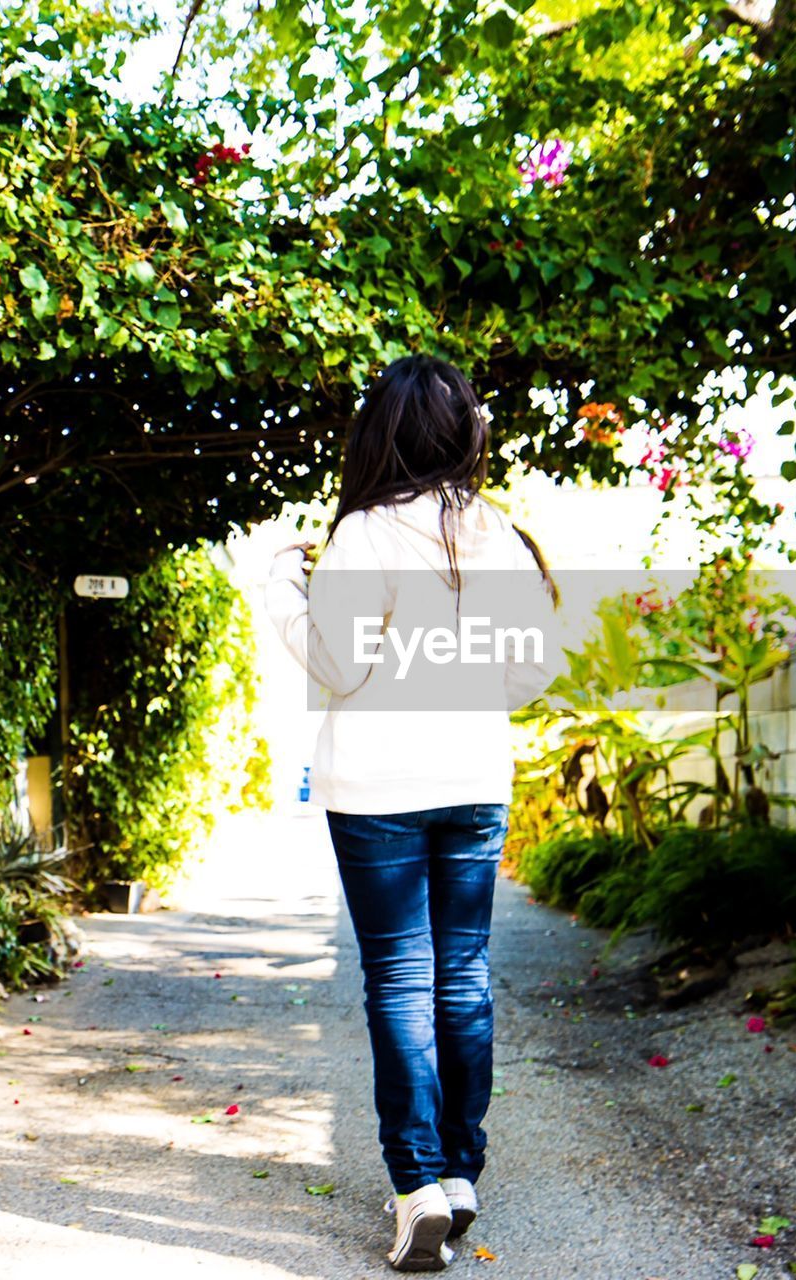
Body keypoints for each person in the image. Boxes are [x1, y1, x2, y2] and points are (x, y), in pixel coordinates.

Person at [265, 354, 559, 1271]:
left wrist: (281, 584)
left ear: (379, 434)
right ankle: (461, 1176)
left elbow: (339, 665)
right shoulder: (500, 536)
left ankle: (416, 1186)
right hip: (472, 781)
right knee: (462, 976)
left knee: (398, 979)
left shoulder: (362, 534)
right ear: (463, 432)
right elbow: (531, 672)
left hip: (379, 791)